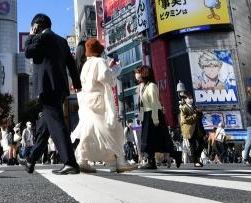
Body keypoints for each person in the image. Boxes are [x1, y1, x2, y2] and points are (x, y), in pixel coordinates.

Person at [20, 14, 82, 175]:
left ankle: (70, 162)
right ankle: (31, 159)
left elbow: (27, 52)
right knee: (44, 125)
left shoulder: (41, 38)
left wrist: (31, 36)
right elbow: (71, 63)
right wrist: (77, 83)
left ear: (37, 26)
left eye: (33, 27)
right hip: (60, 87)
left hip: (46, 87)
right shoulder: (62, 41)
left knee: (56, 123)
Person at [74, 39, 134, 173]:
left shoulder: (86, 65)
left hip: (88, 101)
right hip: (100, 101)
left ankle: (86, 159)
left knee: (90, 131)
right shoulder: (100, 62)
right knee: (113, 129)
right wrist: (115, 69)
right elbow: (107, 79)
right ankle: (120, 160)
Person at [136, 65, 181, 170]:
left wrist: (155, 119)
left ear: (144, 74)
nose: (137, 76)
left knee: (160, 138)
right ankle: (152, 161)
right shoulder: (145, 86)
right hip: (148, 115)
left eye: (139, 73)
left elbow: (154, 103)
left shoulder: (152, 86)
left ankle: (174, 155)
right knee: (151, 139)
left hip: (153, 114)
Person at [179, 92, 206, 168]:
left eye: (191, 98)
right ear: (185, 99)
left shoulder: (194, 107)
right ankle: (195, 161)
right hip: (189, 129)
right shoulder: (184, 108)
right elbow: (184, 120)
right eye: (189, 98)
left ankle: (197, 157)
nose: (191, 99)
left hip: (198, 129)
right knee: (192, 145)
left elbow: (198, 118)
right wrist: (195, 115)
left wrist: (200, 114)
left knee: (202, 143)